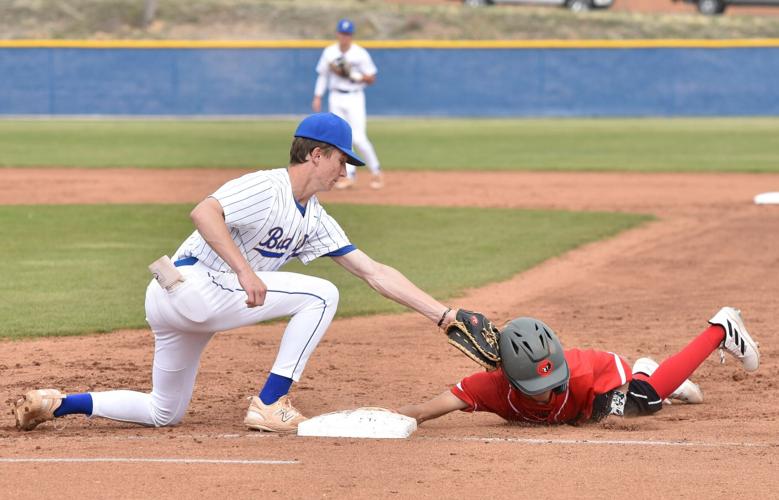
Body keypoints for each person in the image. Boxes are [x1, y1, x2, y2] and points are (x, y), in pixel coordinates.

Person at [13, 113, 461, 434]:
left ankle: (57, 403)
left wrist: (443, 316)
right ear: (316, 154)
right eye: (341, 161)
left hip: (184, 302)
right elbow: (203, 212)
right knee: (322, 294)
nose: (344, 173)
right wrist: (246, 271)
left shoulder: (315, 218)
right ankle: (270, 402)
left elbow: (373, 271)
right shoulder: (267, 186)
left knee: (164, 412)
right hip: (190, 285)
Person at [398, 307, 760, 426]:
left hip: (594, 398)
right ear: (509, 378)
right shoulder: (489, 387)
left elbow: (614, 370)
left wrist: (636, 388)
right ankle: (650, 373)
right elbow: (425, 410)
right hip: (578, 401)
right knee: (641, 399)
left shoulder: (581, 368)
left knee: (643, 402)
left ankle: (721, 328)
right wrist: (382, 418)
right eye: (535, 388)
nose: (547, 393)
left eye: (552, 382)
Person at [312, 18, 383, 190]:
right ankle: (350, 175)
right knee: (341, 139)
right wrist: (318, 96)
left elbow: (372, 78)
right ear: (337, 34)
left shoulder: (360, 53)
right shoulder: (329, 52)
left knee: (359, 138)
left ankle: (376, 170)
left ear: (352, 35)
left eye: (348, 34)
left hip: (354, 97)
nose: (344, 36)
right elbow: (323, 75)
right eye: (342, 33)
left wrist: (354, 76)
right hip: (335, 97)